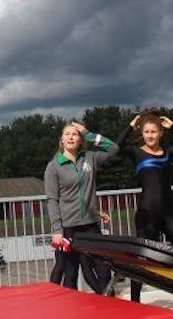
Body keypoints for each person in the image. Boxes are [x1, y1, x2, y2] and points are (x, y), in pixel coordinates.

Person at [116, 112, 173, 302]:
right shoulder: (137, 153)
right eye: (146, 132)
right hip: (148, 214)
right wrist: (130, 125)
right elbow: (116, 146)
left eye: (154, 131)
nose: (150, 135)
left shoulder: (168, 152)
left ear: (161, 133)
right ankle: (135, 302)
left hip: (169, 214)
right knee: (141, 260)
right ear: (142, 133)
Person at [44, 121, 119, 294]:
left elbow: (114, 148)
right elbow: (52, 200)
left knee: (103, 270)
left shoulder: (90, 158)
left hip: (90, 225)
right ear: (61, 140)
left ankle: (109, 307)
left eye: (75, 134)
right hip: (68, 228)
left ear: (80, 140)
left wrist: (89, 134)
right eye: (67, 134)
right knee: (71, 273)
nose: (71, 137)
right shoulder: (53, 166)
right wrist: (57, 230)